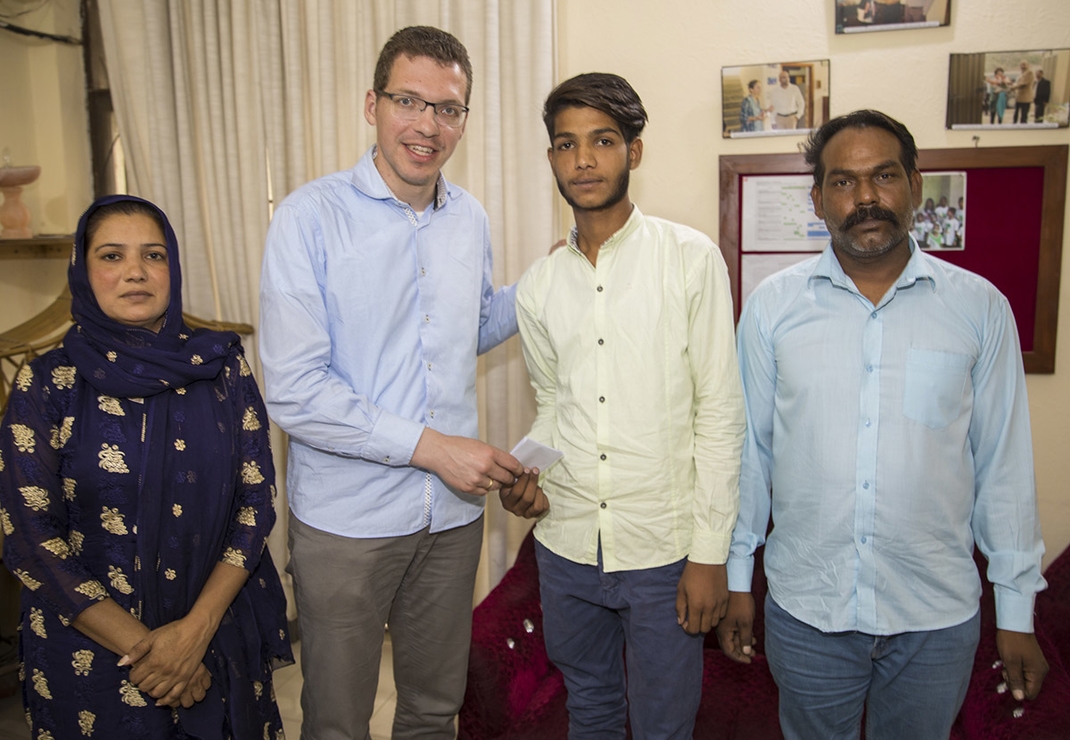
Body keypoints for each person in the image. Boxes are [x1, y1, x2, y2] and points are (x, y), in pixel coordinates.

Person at [716, 110, 1049, 740]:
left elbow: (1004, 466)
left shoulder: (980, 308)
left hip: (936, 615)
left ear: (916, 184)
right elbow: (749, 455)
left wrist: (1017, 611)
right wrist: (739, 579)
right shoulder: (771, 309)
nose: (866, 198)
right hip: (807, 605)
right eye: (843, 182)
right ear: (817, 199)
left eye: (884, 176)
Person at [258, 25, 524, 740]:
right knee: (338, 720)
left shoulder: (469, 218)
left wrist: (549, 286)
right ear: (373, 104)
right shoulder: (309, 219)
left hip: (451, 519)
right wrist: (433, 447)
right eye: (410, 101)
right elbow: (294, 388)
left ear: (463, 120)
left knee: (435, 711)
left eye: (448, 109)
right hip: (348, 521)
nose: (427, 125)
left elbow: (465, 328)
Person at [501, 72, 746, 739]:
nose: (583, 159)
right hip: (568, 543)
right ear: (551, 157)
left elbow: (720, 414)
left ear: (633, 151)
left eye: (602, 141)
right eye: (565, 144)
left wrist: (709, 553)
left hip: (664, 548)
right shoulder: (540, 286)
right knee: (590, 708)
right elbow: (554, 405)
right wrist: (530, 478)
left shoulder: (691, 260)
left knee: (666, 722)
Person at [0, 195, 292, 739]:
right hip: (91, 655)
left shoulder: (221, 367)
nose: (135, 271)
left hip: (217, 636)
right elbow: (29, 537)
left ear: (172, 268)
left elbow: (255, 504)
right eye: (111, 256)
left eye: (153, 255)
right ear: (82, 272)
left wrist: (193, 635)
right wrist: (155, 655)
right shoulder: (47, 383)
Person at [1010, 60, 1036, 124]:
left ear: (1028, 65)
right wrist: (1011, 84)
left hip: (1025, 97)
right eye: (1021, 65)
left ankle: (1023, 126)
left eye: (1024, 64)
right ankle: (1014, 124)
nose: (1022, 66)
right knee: (1016, 112)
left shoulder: (1029, 73)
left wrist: (1014, 87)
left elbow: (1024, 84)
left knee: (1024, 114)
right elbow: (1017, 83)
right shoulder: (1021, 73)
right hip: (1019, 96)